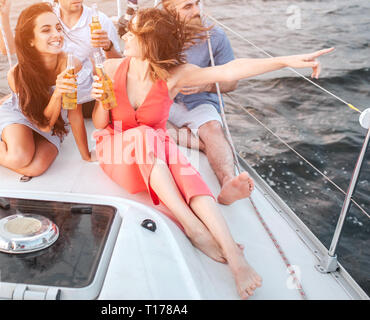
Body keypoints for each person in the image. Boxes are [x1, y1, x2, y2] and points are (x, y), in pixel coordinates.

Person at [90, 8, 333, 299]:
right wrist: (102, 100)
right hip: (117, 151)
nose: (125, 35)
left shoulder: (174, 76)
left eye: (133, 32)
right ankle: (193, 228)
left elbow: (230, 71)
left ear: (151, 41)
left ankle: (235, 257)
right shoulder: (109, 69)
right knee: (146, 136)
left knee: (186, 171)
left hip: (154, 151)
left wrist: (285, 61)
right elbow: (102, 123)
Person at [0, 0, 122, 156]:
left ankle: (18, 140)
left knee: (35, 141)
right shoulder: (49, 14)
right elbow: (12, 49)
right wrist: (3, 17)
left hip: (87, 96)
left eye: (56, 29)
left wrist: (108, 46)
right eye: (48, 30)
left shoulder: (99, 20)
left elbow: (118, 64)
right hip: (56, 91)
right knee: (14, 98)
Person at [160, 0, 255, 205]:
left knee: (213, 129)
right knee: (147, 122)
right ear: (169, 11)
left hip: (199, 101)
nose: (197, 11)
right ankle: (203, 146)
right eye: (187, 6)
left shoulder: (216, 36)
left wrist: (205, 86)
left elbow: (232, 82)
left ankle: (228, 182)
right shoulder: (157, 32)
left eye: (197, 3)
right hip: (165, 98)